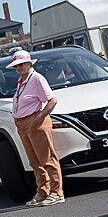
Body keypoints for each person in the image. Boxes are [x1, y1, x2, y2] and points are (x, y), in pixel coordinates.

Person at [8, 50, 63, 206]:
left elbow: (52, 100)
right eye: (16, 65)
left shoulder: (37, 78)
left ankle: (57, 192)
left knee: (47, 158)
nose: (18, 67)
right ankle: (43, 191)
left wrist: (40, 117)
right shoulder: (22, 81)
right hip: (24, 124)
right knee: (34, 161)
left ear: (29, 63)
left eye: (21, 64)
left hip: (34, 122)